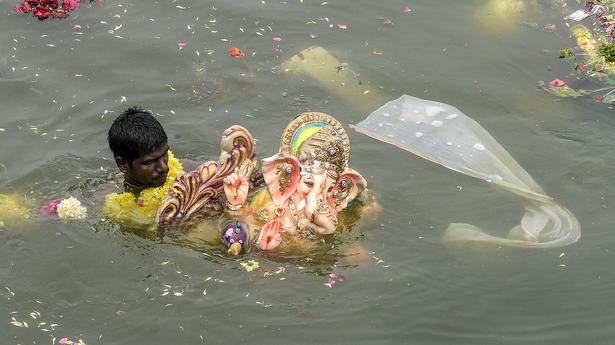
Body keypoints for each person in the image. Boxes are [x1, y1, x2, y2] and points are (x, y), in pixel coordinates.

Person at [102, 107, 197, 230]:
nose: (164, 168)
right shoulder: (114, 203)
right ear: (122, 164)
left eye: (164, 155)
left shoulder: (189, 170)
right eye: (149, 162)